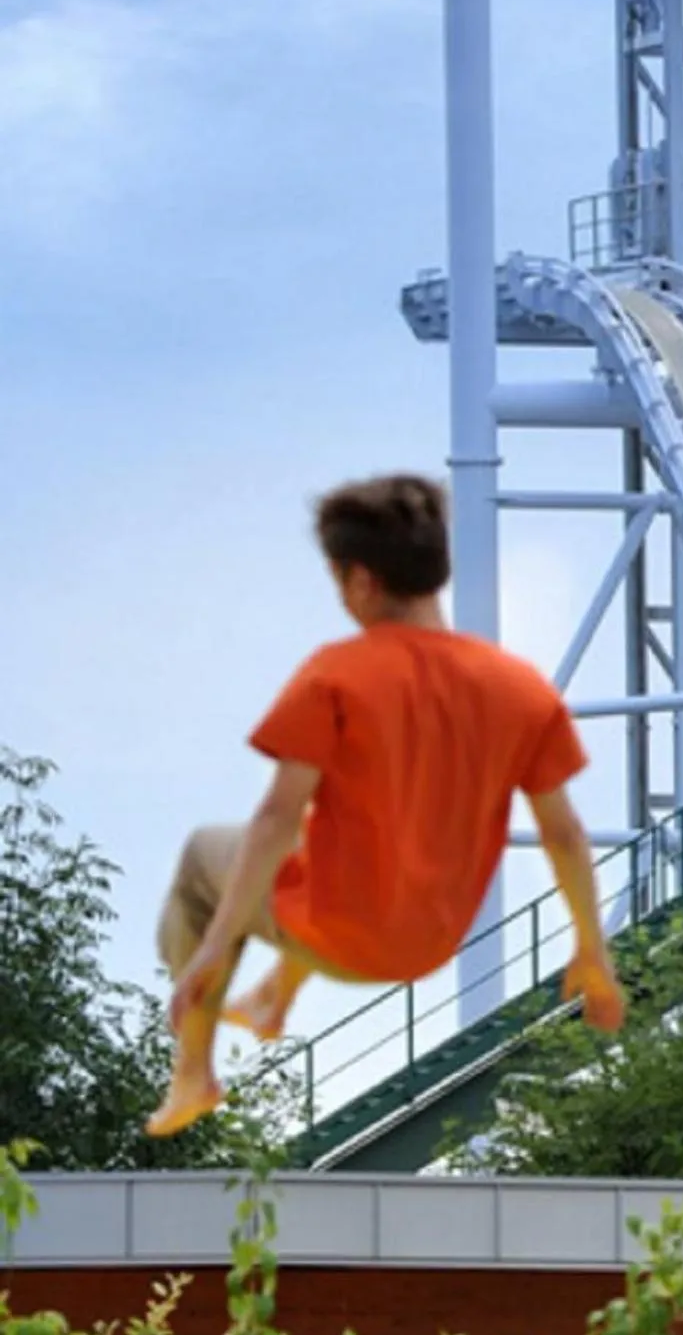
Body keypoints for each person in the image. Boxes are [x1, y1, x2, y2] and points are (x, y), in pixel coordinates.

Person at [147, 474, 626, 1137]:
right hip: (430, 941)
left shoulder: (335, 675)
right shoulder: (521, 690)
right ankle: (272, 995)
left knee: (207, 854)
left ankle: (192, 1072)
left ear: (362, 581)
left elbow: (275, 817)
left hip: (344, 933)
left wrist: (214, 950)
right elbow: (566, 834)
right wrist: (592, 952)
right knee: (349, 817)